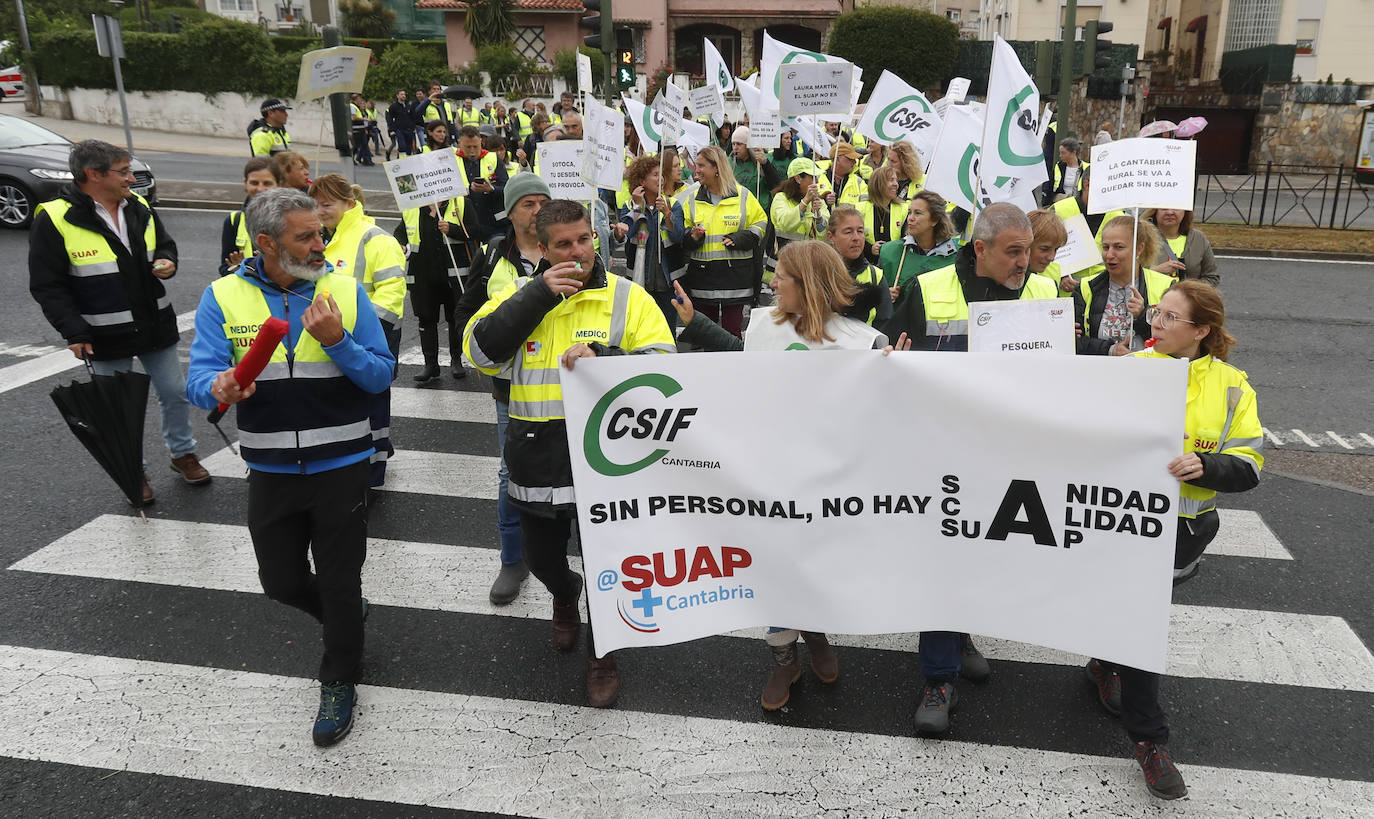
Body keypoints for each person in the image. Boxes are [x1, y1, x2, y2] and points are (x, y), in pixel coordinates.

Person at [186, 188, 395, 748]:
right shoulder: (222, 296)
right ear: (266, 243)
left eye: (321, 231)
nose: (320, 243)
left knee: (340, 578)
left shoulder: (344, 292)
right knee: (278, 582)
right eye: (305, 236)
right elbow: (200, 376)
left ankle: (339, 678)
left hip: (343, 464)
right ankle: (343, 612)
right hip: (272, 468)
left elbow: (379, 376)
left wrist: (340, 342)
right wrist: (219, 384)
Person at [672, 240, 904, 711]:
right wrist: (695, 322)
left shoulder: (863, 341)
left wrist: (899, 371)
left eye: (783, 277)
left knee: (813, 563)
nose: (772, 282)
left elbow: (887, 410)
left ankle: (816, 633)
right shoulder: (763, 323)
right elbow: (741, 357)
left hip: (828, 481)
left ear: (811, 285)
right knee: (774, 564)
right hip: (768, 476)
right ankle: (784, 660)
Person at [463, 200, 676, 708]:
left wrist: (604, 356)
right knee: (542, 558)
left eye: (584, 239)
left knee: (609, 565)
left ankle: (603, 654)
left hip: (608, 457)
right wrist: (538, 295)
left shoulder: (628, 297)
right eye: (563, 244)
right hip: (537, 454)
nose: (577, 251)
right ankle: (563, 593)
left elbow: (664, 368)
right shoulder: (519, 293)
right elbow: (481, 353)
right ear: (541, 248)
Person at [879, 205, 1057, 736]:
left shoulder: (1044, 295)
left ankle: (958, 635)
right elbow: (889, 358)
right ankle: (938, 677)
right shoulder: (927, 287)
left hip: (1010, 457)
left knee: (984, 556)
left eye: (1027, 250)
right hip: (941, 455)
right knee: (944, 559)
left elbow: (1067, 373)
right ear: (980, 249)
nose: (1025, 262)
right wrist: (892, 357)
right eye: (1013, 251)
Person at [1088, 280, 1263, 800]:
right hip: (1118, 524)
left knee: (1134, 620)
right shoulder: (1129, 368)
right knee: (1139, 624)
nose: (1155, 324)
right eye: (1156, 315)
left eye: (1169, 318)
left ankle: (1104, 660)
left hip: (1182, 535)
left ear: (1201, 331)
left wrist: (1207, 465)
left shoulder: (1233, 386)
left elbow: (1251, 466)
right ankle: (1150, 739)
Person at [29, 139, 210, 504]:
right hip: (103, 333)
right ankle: (134, 469)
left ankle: (182, 454)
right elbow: (48, 285)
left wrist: (167, 261)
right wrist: (73, 331)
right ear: (93, 174)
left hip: (155, 323)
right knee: (120, 410)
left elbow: (165, 244)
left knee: (175, 393)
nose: (131, 177)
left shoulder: (139, 205)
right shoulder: (54, 216)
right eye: (123, 171)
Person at [451, 175, 552, 605]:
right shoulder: (493, 255)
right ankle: (513, 560)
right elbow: (466, 311)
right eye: (528, 204)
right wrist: (473, 352)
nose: (537, 211)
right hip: (511, 390)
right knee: (510, 473)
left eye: (543, 202)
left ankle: (571, 558)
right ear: (511, 212)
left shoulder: (570, 249)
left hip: (565, 386)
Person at [310, 175, 407, 487]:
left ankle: (372, 476)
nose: (319, 210)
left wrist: (363, 335)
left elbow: (392, 294)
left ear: (349, 204)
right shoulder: (325, 239)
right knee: (348, 406)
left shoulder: (374, 238)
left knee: (373, 408)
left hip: (369, 340)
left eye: (326, 204)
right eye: (315, 204)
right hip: (335, 340)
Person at [401, 122, 482, 385]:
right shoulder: (413, 207)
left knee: (454, 316)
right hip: (423, 273)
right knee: (425, 318)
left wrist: (454, 229)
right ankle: (430, 364)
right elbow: (402, 232)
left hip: (453, 272)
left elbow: (476, 231)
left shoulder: (460, 202)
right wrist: (399, 243)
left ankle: (456, 360)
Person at [681, 145, 768, 339]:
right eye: (697, 165)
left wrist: (741, 238)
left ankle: (734, 369)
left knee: (732, 333)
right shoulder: (692, 199)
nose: (697, 170)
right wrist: (692, 236)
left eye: (702, 166)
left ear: (717, 168)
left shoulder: (743, 195)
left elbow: (761, 223)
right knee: (707, 335)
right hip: (703, 278)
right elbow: (684, 232)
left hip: (735, 277)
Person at [1074, 213, 1176, 356]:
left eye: (1119, 247)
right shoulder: (1086, 287)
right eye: (1105, 247)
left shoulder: (1166, 287)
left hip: (1148, 372)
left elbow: (1175, 338)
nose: (1109, 254)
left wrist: (1142, 316)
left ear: (1139, 249)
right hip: (1098, 372)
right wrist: (1110, 349)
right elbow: (1074, 342)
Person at [621, 154, 687, 331]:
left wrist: (667, 213)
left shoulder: (672, 204)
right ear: (642, 181)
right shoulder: (629, 205)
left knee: (667, 329)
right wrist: (637, 207)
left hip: (667, 280)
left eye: (661, 174)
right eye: (655, 175)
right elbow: (627, 233)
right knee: (642, 329)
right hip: (640, 278)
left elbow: (678, 236)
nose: (661, 179)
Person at [877, 189, 957, 300]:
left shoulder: (957, 257)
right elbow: (875, 294)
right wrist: (884, 295)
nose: (910, 218)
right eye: (910, 212)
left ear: (935, 220)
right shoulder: (890, 251)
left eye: (917, 213)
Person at [827, 205, 893, 326]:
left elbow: (885, 324)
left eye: (860, 231)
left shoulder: (875, 276)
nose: (856, 238)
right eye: (848, 232)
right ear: (831, 237)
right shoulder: (816, 273)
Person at [219, 157, 279, 277]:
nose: (260, 189)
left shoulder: (292, 220)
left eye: (267, 183)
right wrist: (238, 268)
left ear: (279, 184)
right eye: (254, 183)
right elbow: (224, 268)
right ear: (245, 184)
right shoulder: (233, 221)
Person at [771, 158, 829, 264]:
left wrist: (818, 215)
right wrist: (805, 202)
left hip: (809, 263)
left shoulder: (817, 200)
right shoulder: (781, 198)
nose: (818, 181)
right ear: (798, 178)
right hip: (784, 264)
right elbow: (786, 225)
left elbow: (824, 233)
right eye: (813, 177)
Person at [455, 124, 509, 238]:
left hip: (492, 222)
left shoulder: (493, 158)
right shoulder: (452, 160)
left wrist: (491, 189)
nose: (472, 151)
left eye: (475, 146)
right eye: (467, 147)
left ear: (481, 141)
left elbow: (507, 187)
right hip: (465, 223)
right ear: (459, 143)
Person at [1145, 208, 1220, 287]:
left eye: (1176, 208)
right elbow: (1132, 276)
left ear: (1185, 211)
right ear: (1155, 211)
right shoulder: (1141, 237)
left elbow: (1212, 277)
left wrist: (1189, 290)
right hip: (1152, 299)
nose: (1170, 212)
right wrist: (1156, 270)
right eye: (1164, 208)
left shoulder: (1198, 238)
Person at [857, 165, 909, 265]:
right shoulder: (860, 209)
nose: (896, 184)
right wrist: (870, 248)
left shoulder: (904, 208)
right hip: (867, 264)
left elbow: (906, 239)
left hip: (893, 265)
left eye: (896, 180)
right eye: (891, 180)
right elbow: (855, 238)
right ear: (878, 184)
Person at [729, 127, 781, 209]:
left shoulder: (762, 160)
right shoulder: (729, 162)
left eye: (739, 144)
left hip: (760, 209)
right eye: (733, 144)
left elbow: (776, 184)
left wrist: (765, 163)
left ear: (748, 146)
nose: (735, 148)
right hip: (737, 210)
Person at [1026, 208, 1071, 294]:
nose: (1052, 257)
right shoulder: (1002, 277)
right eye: (1044, 249)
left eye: (1056, 249)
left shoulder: (1054, 270)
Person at [820, 142, 865, 208]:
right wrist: (823, 199)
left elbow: (867, 208)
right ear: (837, 159)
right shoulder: (816, 178)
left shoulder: (859, 182)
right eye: (850, 159)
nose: (855, 162)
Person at [1050, 137, 1089, 202]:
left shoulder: (1087, 168)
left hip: (1080, 203)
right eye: (1060, 153)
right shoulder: (1058, 166)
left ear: (1073, 152)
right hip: (1061, 202)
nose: (1060, 155)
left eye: (1063, 153)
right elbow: (1050, 186)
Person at [386, 90, 416, 158]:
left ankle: (408, 161)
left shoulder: (408, 105)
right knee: (402, 146)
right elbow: (390, 119)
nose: (403, 96)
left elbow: (412, 117)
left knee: (409, 148)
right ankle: (402, 161)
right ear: (397, 96)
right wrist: (391, 130)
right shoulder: (393, 106)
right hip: (399, 130)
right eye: (401, 94)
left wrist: (413, 127)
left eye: (404, 94)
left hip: (409, 130)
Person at [349, 94, 373, 166]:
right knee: (356, 146)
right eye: (360, 99)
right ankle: (351, 159)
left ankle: (366, 160)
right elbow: (354, 117)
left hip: (361, 128)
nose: (361, 100)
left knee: (364, 144)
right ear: (356, 99)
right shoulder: (352, 106)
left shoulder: (357, 107)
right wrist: (365, 119)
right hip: (356, 129)